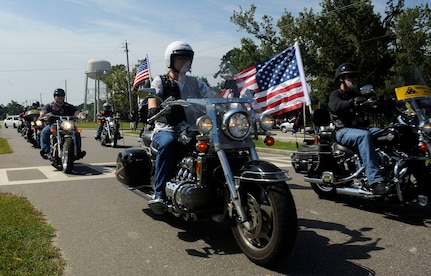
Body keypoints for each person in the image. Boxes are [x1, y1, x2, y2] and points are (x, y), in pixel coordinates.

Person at [147, 41, 217, 208]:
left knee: (216, 144)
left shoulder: (196, 83)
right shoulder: (160, 81)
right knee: (168, 143)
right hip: (167, 128)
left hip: (193, 128)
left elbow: (212, 96)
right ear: (170, 61)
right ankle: (159, 194)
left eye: (187, 59)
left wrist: (228, 96)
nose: (185, 62)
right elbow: (152, 101)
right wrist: (154, 109)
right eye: (180, 59)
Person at [328, 62, 389, 195]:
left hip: (362, 129)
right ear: (341, 79)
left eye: (355, 76)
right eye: (350, 76)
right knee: (364, 136)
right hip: (342, 131)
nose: (354, 79)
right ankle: (375, 181)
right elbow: (335, 106)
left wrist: (382, 104)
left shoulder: (357, 95)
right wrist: (352, 102)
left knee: (391, 133)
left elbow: (371, 106)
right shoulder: (336, 95)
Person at [39, 88, 86, 159]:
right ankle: (45, 150)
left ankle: (78, 151)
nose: (60, 97)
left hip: (67, 124)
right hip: (54, 124)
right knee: (45, 131)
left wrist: (81, 116)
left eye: (62, 95)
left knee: (76, 133)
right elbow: (43, 112)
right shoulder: (50, 105)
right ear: (54, 96)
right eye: (58, 95)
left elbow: (77, 112)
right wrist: (42, 116)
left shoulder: (68, 106)